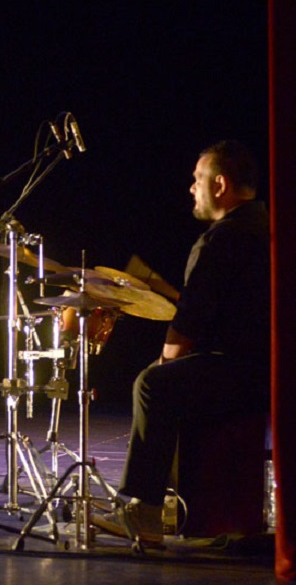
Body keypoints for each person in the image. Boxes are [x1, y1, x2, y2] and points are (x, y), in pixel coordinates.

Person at [93, 140, 270, 543]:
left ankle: (145, 511)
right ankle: (172, 503)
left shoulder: (220, 239)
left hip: (245, 372)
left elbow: (189, 321)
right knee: (174, 380)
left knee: (154, 385)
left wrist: (165, 360)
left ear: (220, 184)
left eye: (197, 179)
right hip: (269, 367)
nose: (192, 187)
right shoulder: (265, 226)